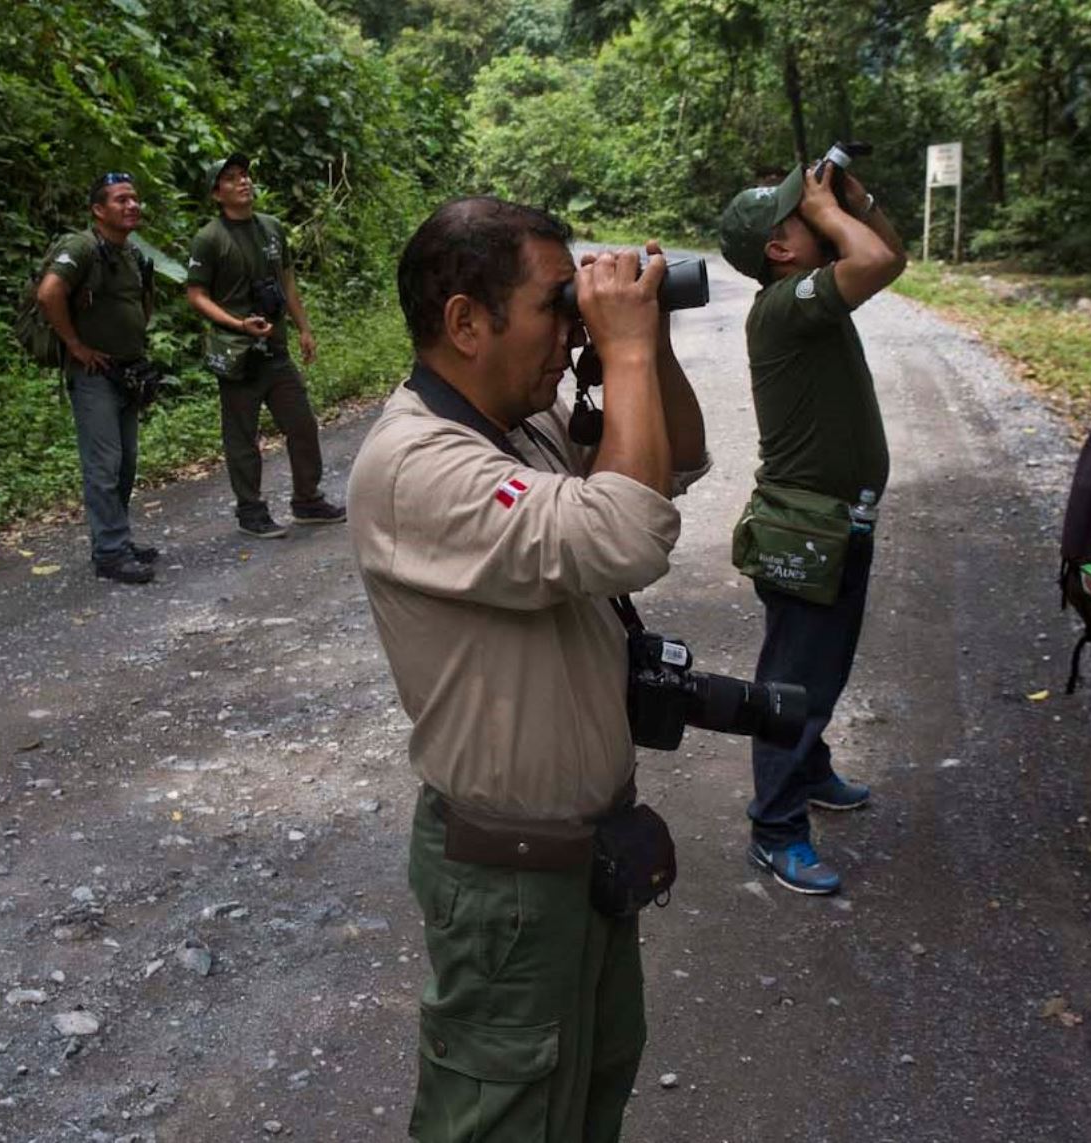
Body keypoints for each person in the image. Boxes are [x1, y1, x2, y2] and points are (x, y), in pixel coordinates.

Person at [347, 197, 708, 1142]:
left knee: (588, 1091)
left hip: (586, 855)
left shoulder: (524, 424)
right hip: (509, 881)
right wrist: (621, 353)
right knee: (499, 1116)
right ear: (466, 322)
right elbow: (629, 533)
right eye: (559, 304)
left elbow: (675, 462)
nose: (574, 327)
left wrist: (649, 345)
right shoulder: (415, 461)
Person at [716, 159, 908, 894]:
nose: (821, 210)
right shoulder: (786, 304)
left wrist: (856, 198)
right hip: (809, 528)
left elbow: (891, 257)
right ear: (780, 249)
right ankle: (775, 827)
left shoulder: (806, 297)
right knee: (795, 679)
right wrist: (838, 215)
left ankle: (812, 769)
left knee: (817, 667)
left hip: (832, 523)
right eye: (804, 214)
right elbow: (878, 259)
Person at [186, 154, 345, 539]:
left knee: (302, 424)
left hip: (275, 348)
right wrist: (237, 322)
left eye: (245, 176)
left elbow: (287, 281)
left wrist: (304, 328)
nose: (243, 183)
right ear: (216, 193)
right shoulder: (210, 238)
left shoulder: (271, 228)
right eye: (232, 178)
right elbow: (196, 294)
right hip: (238, 354)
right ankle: (251, 511)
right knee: (242, 436)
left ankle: (307, 500)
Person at [36, 172, 160, 585]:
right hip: (93, 374)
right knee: (104, 464)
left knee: (125, 463)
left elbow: (141, 305)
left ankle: (116, 539)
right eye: (121, 200)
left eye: (135, 199)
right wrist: (75, 345)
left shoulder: (130, 253)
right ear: (98, 210)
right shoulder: (81, 247)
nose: (132, 206)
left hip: (126, 370)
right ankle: (110, 553)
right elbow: (49, 292)